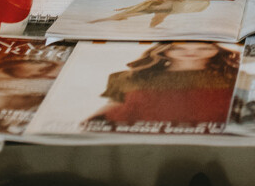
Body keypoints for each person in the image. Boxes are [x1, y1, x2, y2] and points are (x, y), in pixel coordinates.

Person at [90, 42, 239, 131]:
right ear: (164, 50)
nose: (192, 52)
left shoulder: (233, 75)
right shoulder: (130, 76)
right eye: (179, 48)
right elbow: (115, 105)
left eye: (203, 48)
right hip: (140, 135)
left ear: (219, 49)